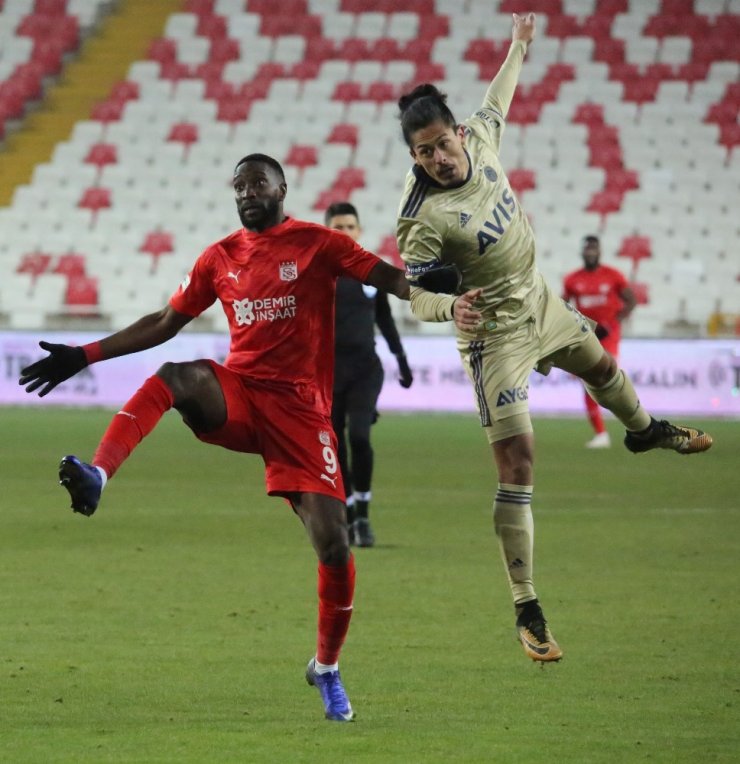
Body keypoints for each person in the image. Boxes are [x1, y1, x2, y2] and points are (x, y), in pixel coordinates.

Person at [18, 153, 410, 722]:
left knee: (334, 546)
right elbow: (163, 321)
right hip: (243, 396)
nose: (248, 191)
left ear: (281, 186)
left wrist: (438, 293)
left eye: (258, 182)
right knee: (179, 375)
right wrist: (85, 353)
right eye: (239, 185)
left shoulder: (319, 243)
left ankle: (326, 667)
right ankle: (99, 474)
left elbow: (388, 279)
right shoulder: (220, 258)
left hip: (302, 414)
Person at [394, 12, 712, 664]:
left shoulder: (479, 139)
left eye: (440, 145)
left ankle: (645, 430)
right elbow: (414, 293)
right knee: (520, 463)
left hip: (540, 300)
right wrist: (451, 307)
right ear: (414, 156)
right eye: (422, 152)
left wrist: (517, 45)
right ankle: (527, 606)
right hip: (495, 339)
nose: (437, 159)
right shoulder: (421, 218)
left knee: (602, 369)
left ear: (457, 134)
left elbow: (498, 98)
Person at [325, 201, 413, 548]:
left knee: (359, 436)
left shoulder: (371, 270)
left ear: (359, 231)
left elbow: (385, 320)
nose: (344, 233)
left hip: (365, 369)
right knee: (333, 444)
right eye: (337, 227)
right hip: (328, 373)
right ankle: (347, 516)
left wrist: (402, 360)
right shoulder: (317, 273)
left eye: (349, 227)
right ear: (326, 230)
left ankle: (362, 515)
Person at [563, 235, 637, 448]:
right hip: (587, 337)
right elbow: (563, 305)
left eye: (593, 249)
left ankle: (634, 424)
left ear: (599, 252)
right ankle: (601, 434)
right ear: (582, 252)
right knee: (589, 383)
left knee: (610, 380)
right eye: (587, 249)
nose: (590, 253)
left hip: (609, 337)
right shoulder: (572, 279)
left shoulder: (613, 276)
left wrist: (614, 323)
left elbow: (631, 300)